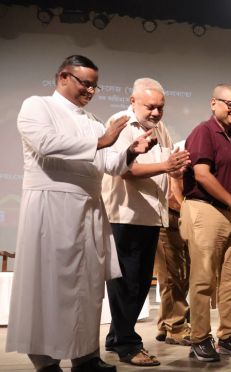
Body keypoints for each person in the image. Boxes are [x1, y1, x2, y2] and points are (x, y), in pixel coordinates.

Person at [6, 55, 154, 372]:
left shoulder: (91, 121)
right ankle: (46, 361)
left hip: (88, 210)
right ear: (63, 76)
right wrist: (102, 140)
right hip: (52, 208)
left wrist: (130, 151)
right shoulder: (37, 106)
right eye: (85, 83)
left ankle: (85, 356)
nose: (90, 91)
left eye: (94, 86)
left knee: (87, 288)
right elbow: (46, 143)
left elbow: (109, 164)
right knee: (51, 286)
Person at [101, 78, 190, 366]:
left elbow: (166, 163)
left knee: (138, 283)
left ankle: (117, 336)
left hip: (150, 216)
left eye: (160, 108)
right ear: (133, 101)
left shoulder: (159, 128)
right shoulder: (121, 123)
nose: (155, 113)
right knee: (127, 283)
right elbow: (124, 168)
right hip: (125, 215)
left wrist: (176, 166)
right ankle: (128, 344)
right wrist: (166, 165)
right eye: (150, 107)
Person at [180, 84, 231, 362]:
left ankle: (227, 336)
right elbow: (201, 175)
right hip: (205, 209)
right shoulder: (204, 131)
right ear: (214, 103)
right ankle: (200, 338)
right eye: (230, 104)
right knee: (203, 278)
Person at [154, 140, 192, 347]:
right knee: (170, 274)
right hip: (166, 218)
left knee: (183, 275)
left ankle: (164, 323)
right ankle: (175, 326)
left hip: (185, 218)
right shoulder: (171, 162)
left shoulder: (192, 167)